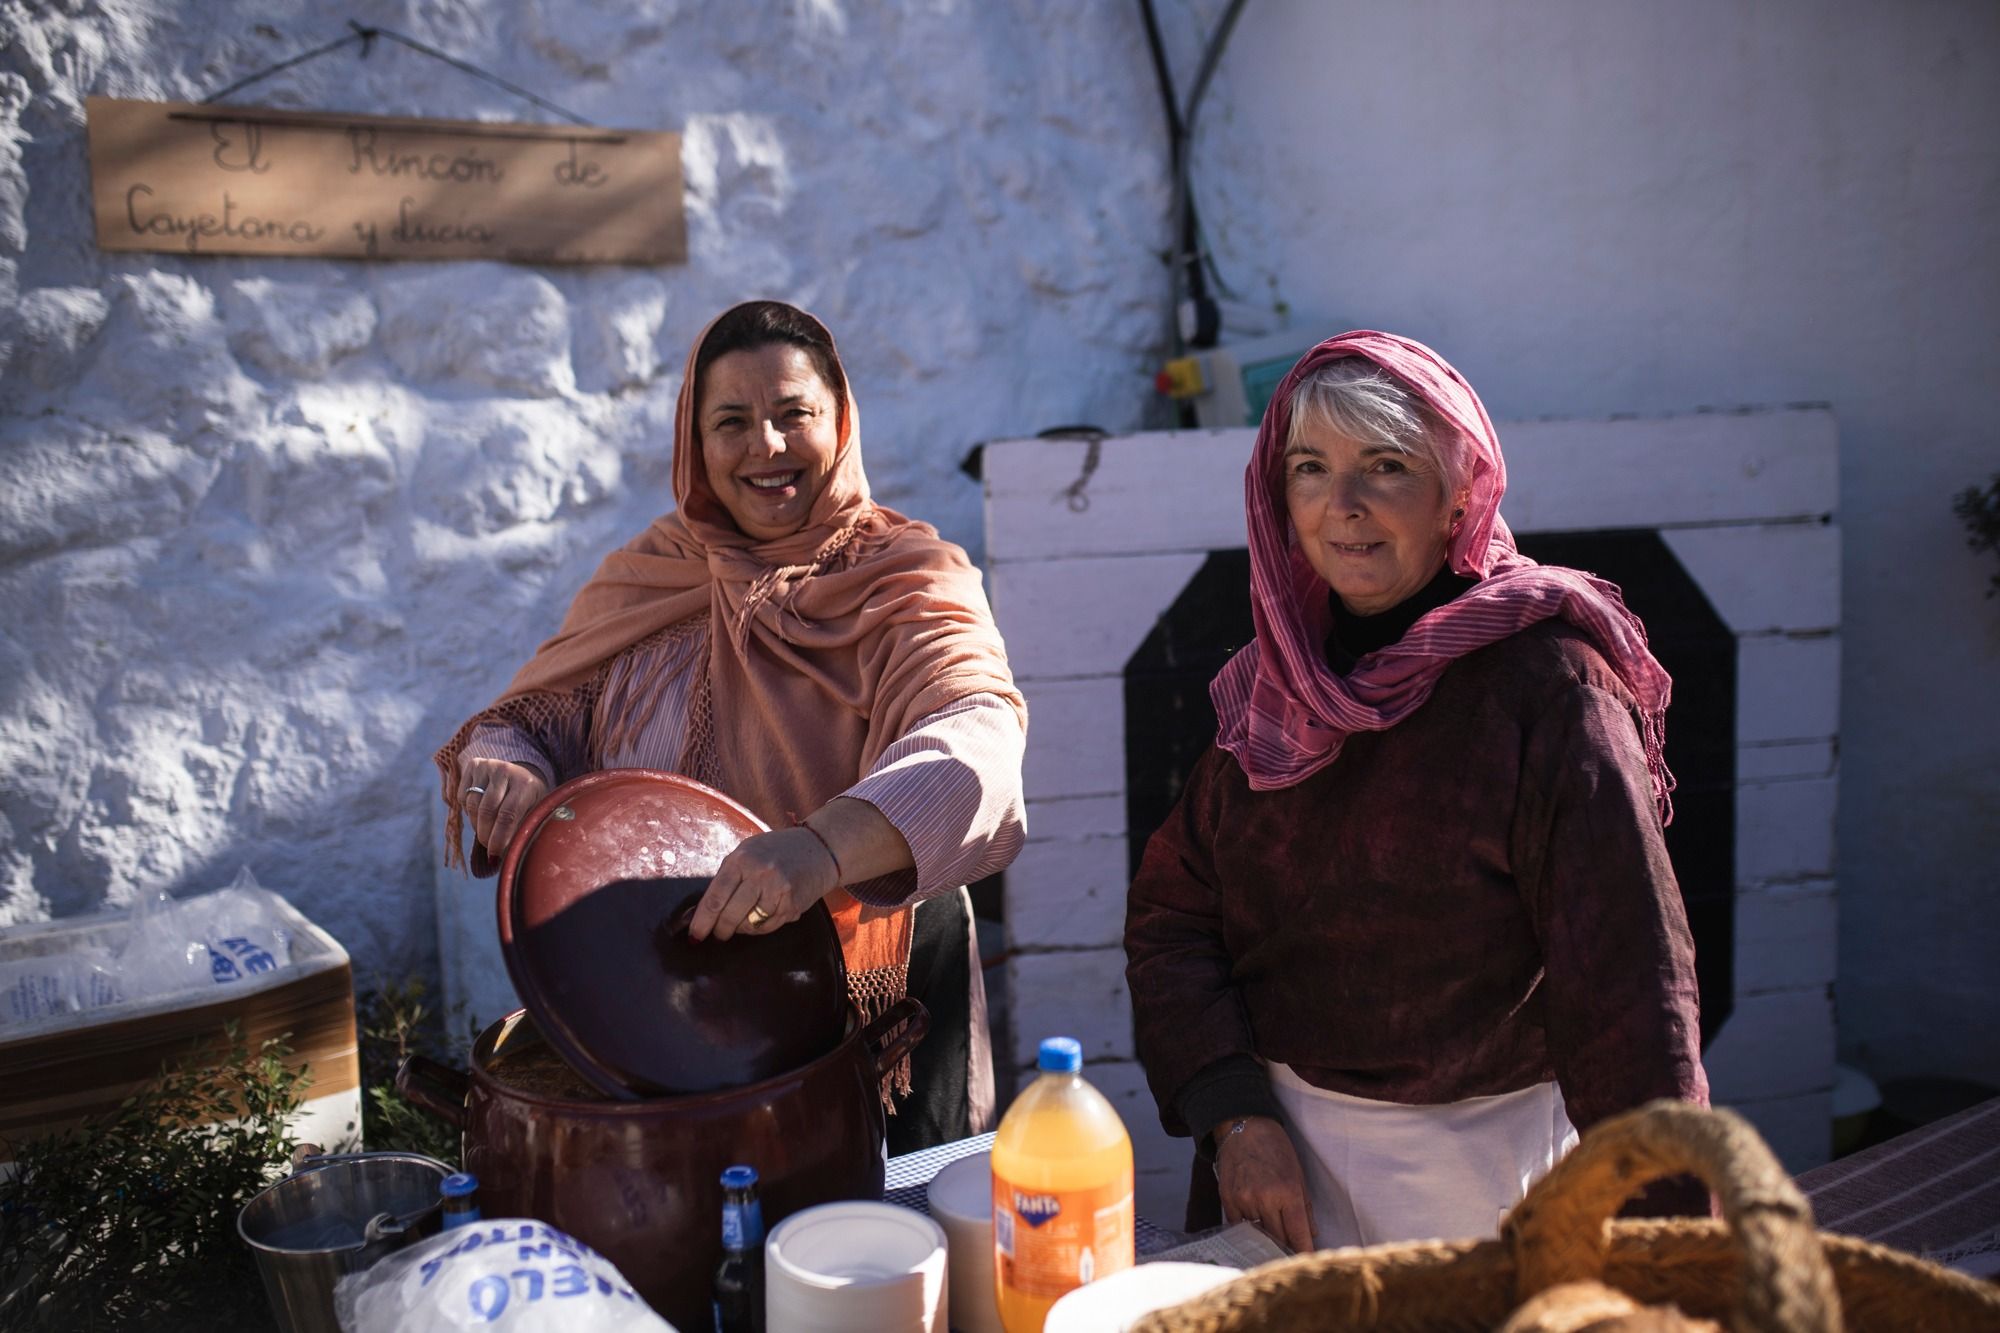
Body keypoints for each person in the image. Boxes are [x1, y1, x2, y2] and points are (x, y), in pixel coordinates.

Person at [1123, 330, 1708, 1254]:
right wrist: (1232, 1115)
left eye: (1385, 465)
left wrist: (1669, 1246)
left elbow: (1631, 991)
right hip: (1278, 1178)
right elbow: (1174, 917)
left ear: (1458, 494)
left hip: (1485, 1187)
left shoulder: (1549, 687)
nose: (1342, 506)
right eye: (1310, 468)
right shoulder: (1276, 687)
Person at [436, 300, 1027, 1152]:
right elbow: (538, 716)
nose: (767, 447)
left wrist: (821, 849)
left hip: (874, 997)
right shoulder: (652, 575)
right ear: (695, 441)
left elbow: (976, 730)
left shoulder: (909, 579)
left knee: (890, 1250)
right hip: (669, 989)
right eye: (732, 422)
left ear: (841, 421)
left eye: (795, 415)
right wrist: (509, 761)